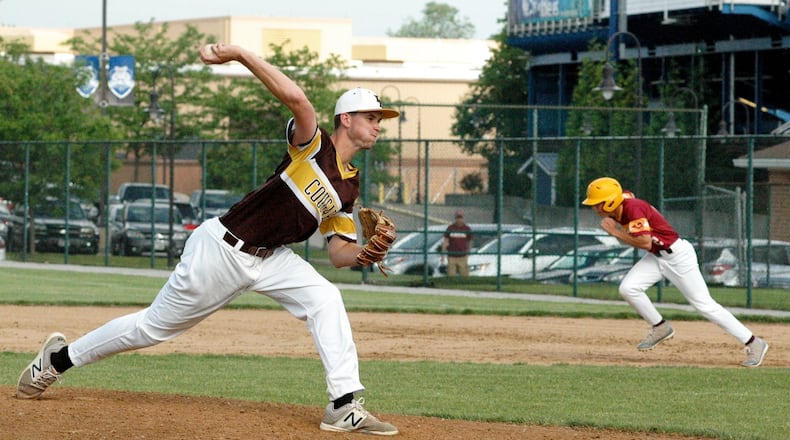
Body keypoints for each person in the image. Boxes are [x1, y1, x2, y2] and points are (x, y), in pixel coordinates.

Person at [16, 43, 400, 435]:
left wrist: (365, 255)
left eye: (380, 119)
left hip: (271, 259)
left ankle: (343, 404)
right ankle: (58, 360)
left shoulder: (349, 186)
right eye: (372, 116)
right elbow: (297, 99)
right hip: (223, 247)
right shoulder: (314, 145)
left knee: (326, 298)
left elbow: (338, 254)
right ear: (346, 118)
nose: (378, 124)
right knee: (151, 328)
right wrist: (239, 54)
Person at [582, 177, 769, 367]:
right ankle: (660, 327)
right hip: (657, 256)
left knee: (705, 305)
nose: (595, 208)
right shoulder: (621, 205)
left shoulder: (632, 208)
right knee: (628, 288)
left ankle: (754, 343)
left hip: (678, 257)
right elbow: (628, 195)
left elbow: (644, 242)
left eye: (598, 204)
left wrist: (616, 233)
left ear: (612, 201)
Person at [441, 210, 473, 276]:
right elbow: (445, 241)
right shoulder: (450, 228)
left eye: (460, 217)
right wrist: (443, 255)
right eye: (457, 217)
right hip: (452, 255)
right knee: (451, 275)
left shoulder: (466, 228)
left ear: (462, 218)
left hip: (463, 256)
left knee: (464, 275)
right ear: (455, 218)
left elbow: (470, 241)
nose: (459, 219)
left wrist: (468, 251)